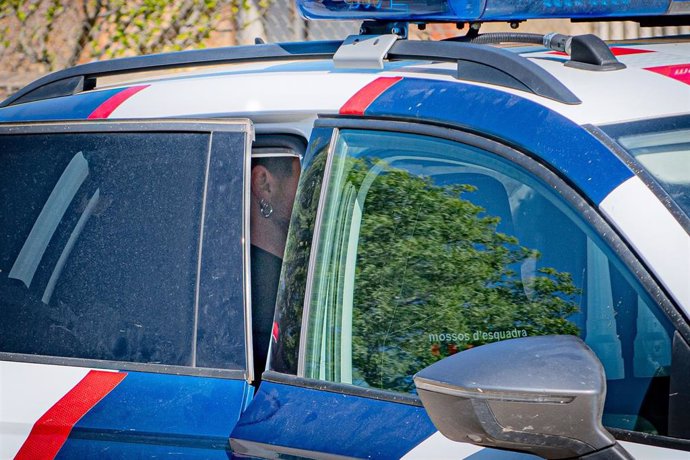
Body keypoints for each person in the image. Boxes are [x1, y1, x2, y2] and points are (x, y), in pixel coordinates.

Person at [250, 153, 300, 385]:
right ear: (264, 184)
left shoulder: (292, 273)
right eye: (304, 178)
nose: (317, 194)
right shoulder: (254, 293)